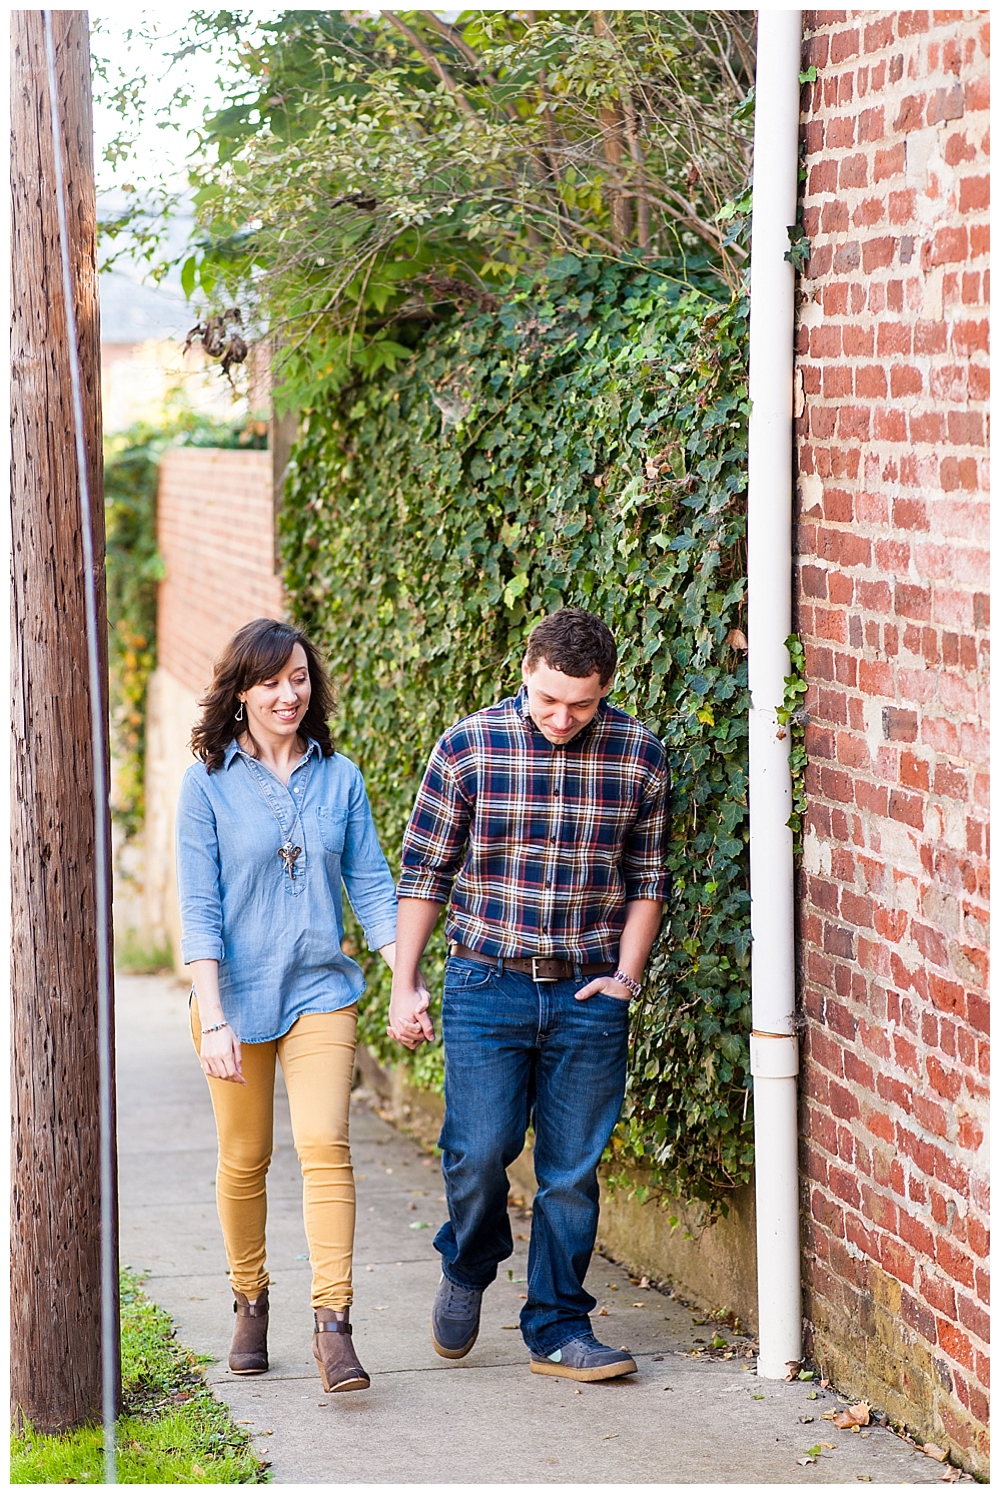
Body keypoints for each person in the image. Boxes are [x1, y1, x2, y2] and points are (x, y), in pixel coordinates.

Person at [389, 607, 670, 1383]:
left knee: (571, 1174)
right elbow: (425, 874)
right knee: (478, 1154)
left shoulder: (638, 754)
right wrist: (403, 982)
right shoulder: (469, 746)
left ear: (605, 688)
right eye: (548, 699)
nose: (561, 717)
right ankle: (470, 1260)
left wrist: (625, 979)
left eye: (580, 703)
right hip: (487, 983)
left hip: (588, 995)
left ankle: (558, 1326)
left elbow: (647, 881)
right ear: (527, 670)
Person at [176, 617, 407, 1394]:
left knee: (323, 1143)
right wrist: (211, 1017)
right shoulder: (205, 784)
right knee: (245, 1160)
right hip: (233, 998)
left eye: (299, 679)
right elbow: (200, 910)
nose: (289, 695)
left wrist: (401, 976)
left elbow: (373, 887)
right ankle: (249, 1300)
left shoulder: (339, 777)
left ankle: (334, 1325)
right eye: (271, 682)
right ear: (241, 692)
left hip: (320, 989)